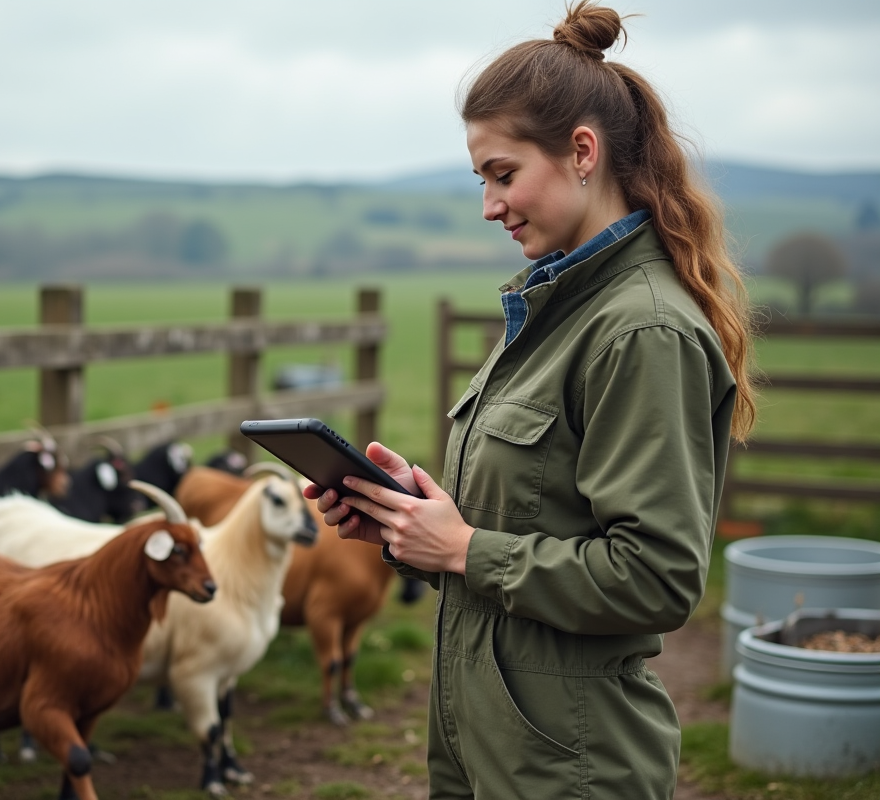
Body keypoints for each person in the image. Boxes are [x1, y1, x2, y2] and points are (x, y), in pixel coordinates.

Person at [304, 3, 757, 798]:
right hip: (495, 744)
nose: (488, 206)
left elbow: (655, 577)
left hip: (570, 766)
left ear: (583, 152)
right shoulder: (554, 311)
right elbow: (539, 519)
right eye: (481, 178)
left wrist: (463, 549)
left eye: (503, 174)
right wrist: (413, 520)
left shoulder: (640, 332)